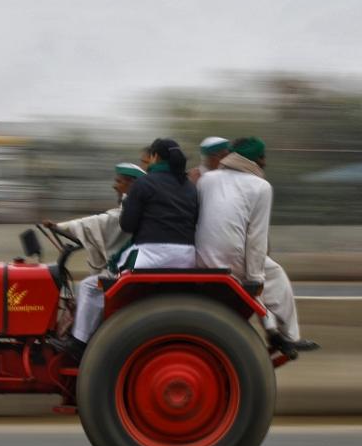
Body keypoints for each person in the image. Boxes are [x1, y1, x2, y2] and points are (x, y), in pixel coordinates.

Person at [195, 137, 320, 357]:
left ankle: (272, 331)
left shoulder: (207, 180)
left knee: (255, 277)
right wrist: (256, 278)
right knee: (273, 277)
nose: (265, 162)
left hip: (200, 254)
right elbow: (256, 238)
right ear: (254, 159)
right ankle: (289, 337)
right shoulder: (261, 187)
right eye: (263, 157)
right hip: (231, 255)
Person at [46, 162, 146, 360]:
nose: (114, 185)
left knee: (89, 286)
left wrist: (62, 227)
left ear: (131, 183)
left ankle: (79, 342)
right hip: (133, 263)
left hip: (129, 269)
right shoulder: (136, 205)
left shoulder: (131, 207)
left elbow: (103, 222)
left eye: (118, 181)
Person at [117, 138, 199, 271]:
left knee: (95, 282)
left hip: (151, 255)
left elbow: (127, 225)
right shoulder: (190, 186)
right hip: (186, 256)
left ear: (155, 156)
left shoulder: (143, 182)